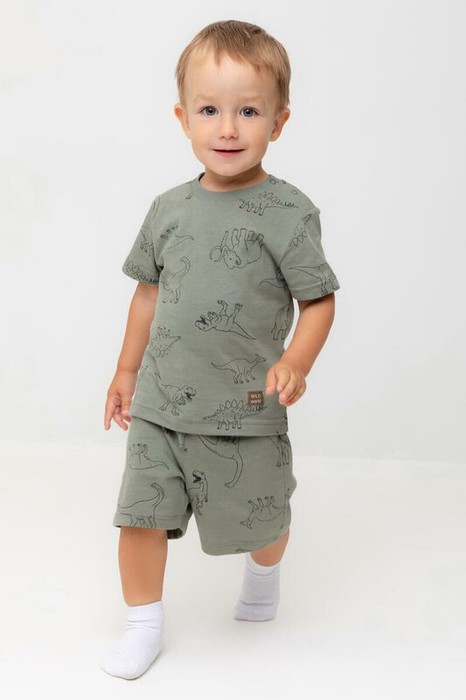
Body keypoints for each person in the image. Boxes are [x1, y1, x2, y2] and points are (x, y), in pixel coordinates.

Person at [100, 19, 340, 680]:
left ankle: (264, 574)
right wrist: (125, 370)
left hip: (246, 408)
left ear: (279, 122)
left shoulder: (288, 212)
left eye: (248, 111)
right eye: (209, 110)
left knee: (262, 522)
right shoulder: (167, 209)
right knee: (139, 517)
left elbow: (319, 300)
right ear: (183, 118)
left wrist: (295, 361)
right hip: (160, 405)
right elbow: (147, 294)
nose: (228, 128)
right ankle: (143, 624)